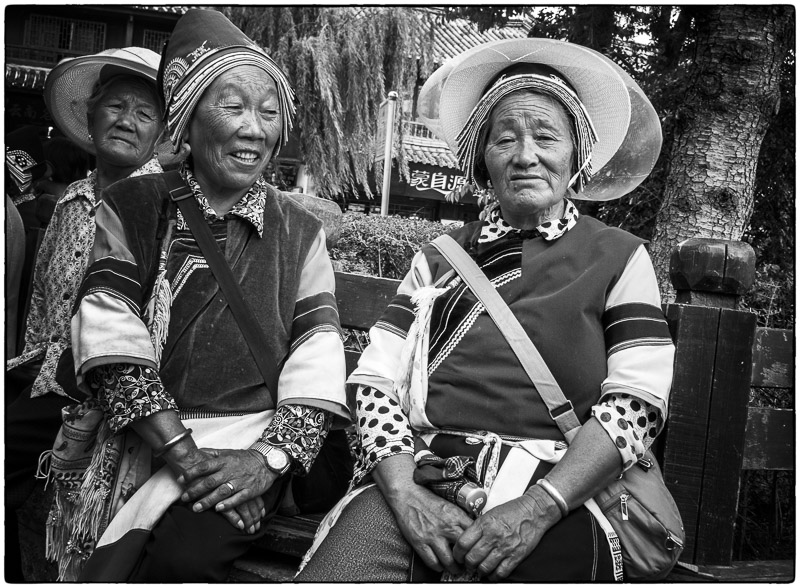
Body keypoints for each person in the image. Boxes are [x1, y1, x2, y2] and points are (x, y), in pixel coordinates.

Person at [297, 38, 675, 582]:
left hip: (563, 494)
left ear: (577, 156)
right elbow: (376, 382)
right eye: (505, 139)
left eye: (547, 137)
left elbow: (636, 402)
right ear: (482, 157)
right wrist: (403, 494)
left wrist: (538, 506)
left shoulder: (618, 258)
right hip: (427, 479)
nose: (526, 156)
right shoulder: (438, 259)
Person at [48, 9, 350, 582]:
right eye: (233, 107)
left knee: (183, 557)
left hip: (256, 441)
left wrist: (266, 463)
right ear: (188, 118)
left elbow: (318, 354)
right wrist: (188, 459)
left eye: (268, 112)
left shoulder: (299, 231)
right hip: (149, 438)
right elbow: (109, 332)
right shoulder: (134, 207)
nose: (254, 129)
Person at [4, 46, 165, 581]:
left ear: (161, 133)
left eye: (144, 114)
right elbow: (40, 316)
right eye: (116, 106)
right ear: (91, 114)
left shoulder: (163, 209)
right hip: (41, 378)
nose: (126, 121)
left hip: (108, 394)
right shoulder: (71, 200)